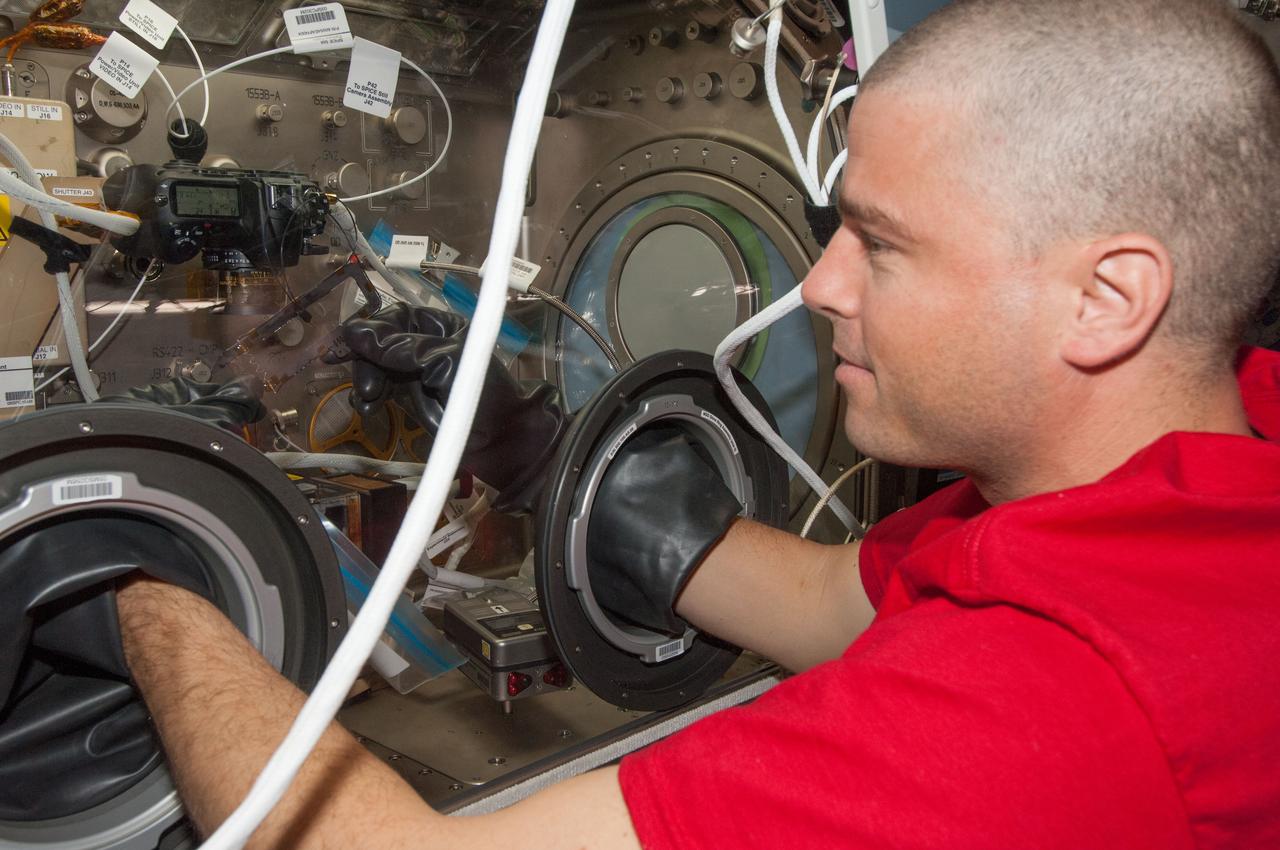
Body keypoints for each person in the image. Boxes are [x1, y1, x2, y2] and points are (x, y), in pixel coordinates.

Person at [112, 0, 1280, 847]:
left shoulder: (1042, 711)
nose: (821, 284)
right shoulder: (1195, 474)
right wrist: (535, 455)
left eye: (880, 244)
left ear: (1106, 298)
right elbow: (829, 604)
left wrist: (145, 575)